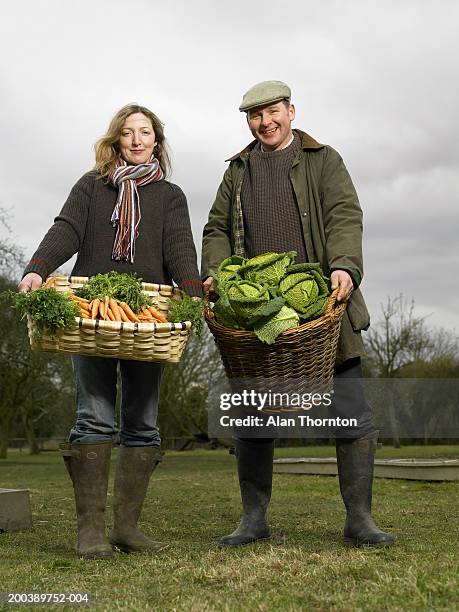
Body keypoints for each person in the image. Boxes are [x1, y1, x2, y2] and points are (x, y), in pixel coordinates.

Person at [201, 81, 394, 548]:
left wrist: (345, 266)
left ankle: (360, 520)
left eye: (272, 113)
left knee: (350, 413)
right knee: (253, 416)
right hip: (259, 314)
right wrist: (216, 275)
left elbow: (345, 214)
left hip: (322, 306)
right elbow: (215, 229)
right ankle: (253, 519)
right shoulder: (237, 170)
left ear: (291, 110)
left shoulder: (323, 159)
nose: (264, 123)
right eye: (254, 116)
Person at [19, 104, 202, 559]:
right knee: (94, 417)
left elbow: (180, 246)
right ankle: (91, 532)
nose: (137, 140)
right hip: (93, 315)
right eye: (127, 133)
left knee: (143, 424)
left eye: (145, 133)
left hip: (147, 319)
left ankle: (127, 529)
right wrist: (37, 270)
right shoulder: (92, 187)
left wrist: (194, 290)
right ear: (116, 140)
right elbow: (66, 230)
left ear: (156, 141)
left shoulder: (170, 195)